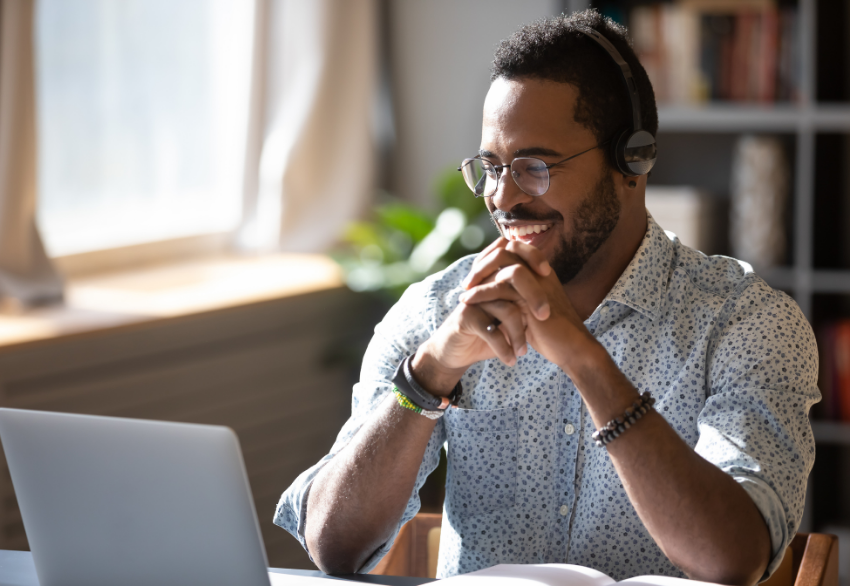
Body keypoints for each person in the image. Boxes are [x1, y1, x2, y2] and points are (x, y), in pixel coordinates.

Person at [275, 10, 819, 585]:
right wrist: (430, 374)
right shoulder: (438, 311)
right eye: (490, 167)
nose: (503, 198)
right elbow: (333, 548)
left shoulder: (748, 322)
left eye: (535, 167)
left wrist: (586, 361)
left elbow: (733, 558)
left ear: (631, 160)